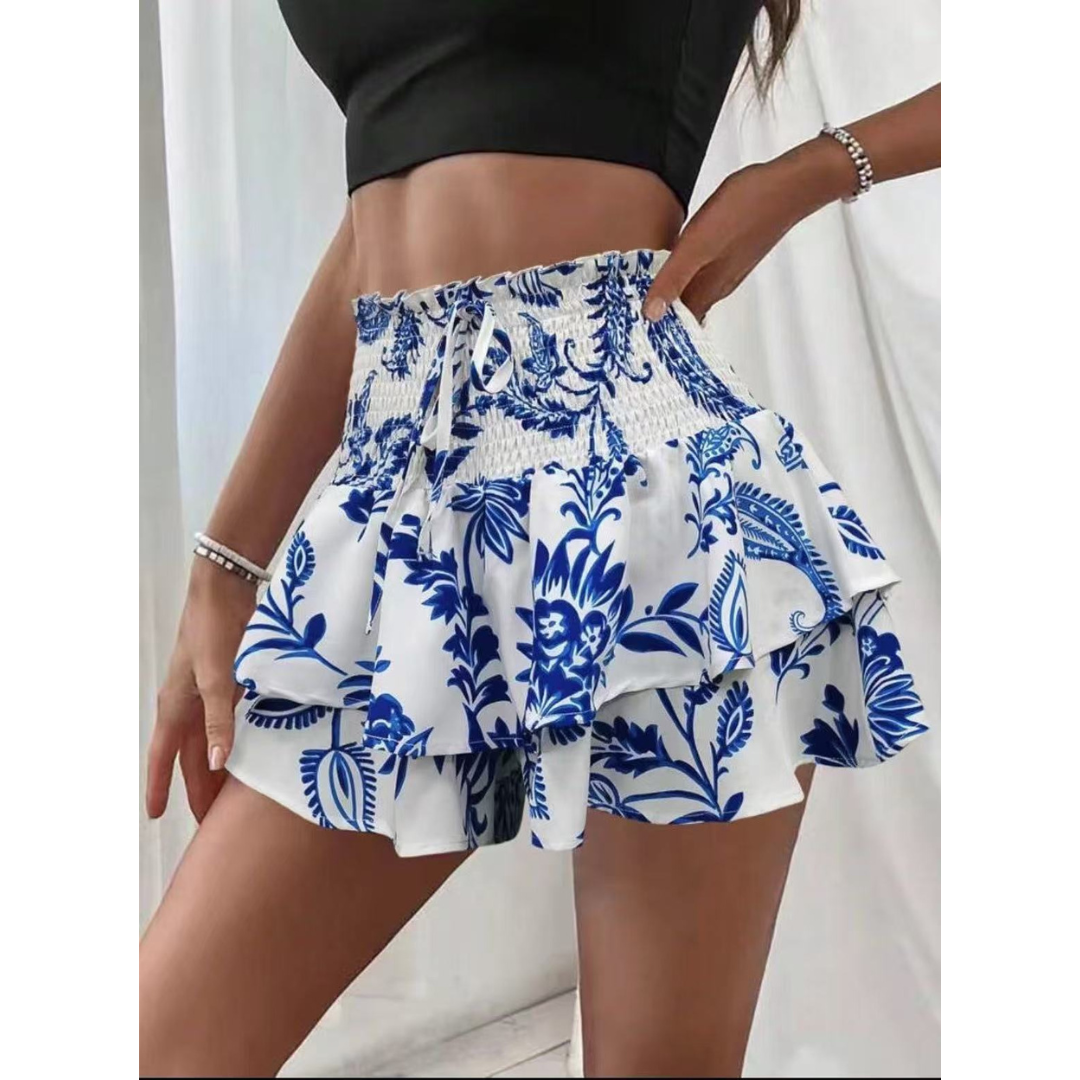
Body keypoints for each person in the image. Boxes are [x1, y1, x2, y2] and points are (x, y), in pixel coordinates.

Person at [140, 2, 940, 1076]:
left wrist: (811, 172)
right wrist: (225, 563)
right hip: (402, 514)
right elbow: (377, 228)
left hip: (654, 500)